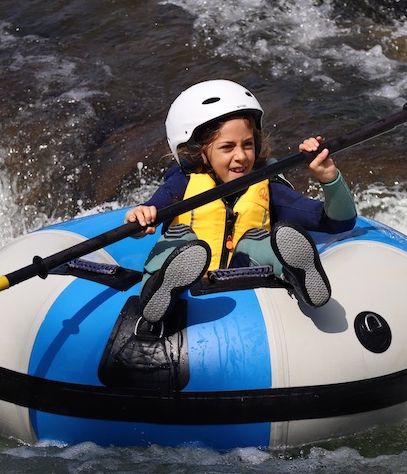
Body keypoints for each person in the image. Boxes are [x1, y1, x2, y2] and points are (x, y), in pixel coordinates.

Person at [125, 79, 358, 324]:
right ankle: (159, 288)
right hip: (192, 273)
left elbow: (337, 223)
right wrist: (139, 219)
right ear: (196, 152)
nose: (241, 156)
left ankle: (296, 273)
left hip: (249, 270)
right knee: (179, 237)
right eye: (227, 147)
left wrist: (329, 178)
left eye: (248, 145)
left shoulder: (269, 188)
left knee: (264, 241)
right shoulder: (181, 184)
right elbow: (151, 211)